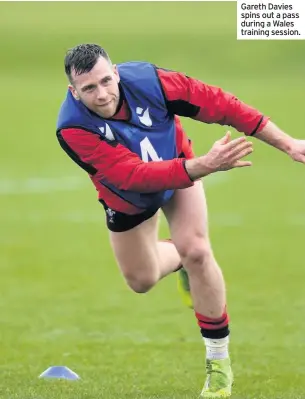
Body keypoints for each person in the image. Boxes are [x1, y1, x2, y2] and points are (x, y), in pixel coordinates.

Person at [56, 43, 305, 398]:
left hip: (180, 167)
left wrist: (287, 144)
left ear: (116, 73)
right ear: (73, 91)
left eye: (106, 81)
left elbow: (221, 104)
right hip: (129, 198)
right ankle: (181, 261)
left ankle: (218, 367)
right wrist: (205, 165)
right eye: (89, 89)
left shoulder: (151, 82)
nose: (102, 94)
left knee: (198, 250)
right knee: (141, 280)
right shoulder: (72, 128)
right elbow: (133, 176)